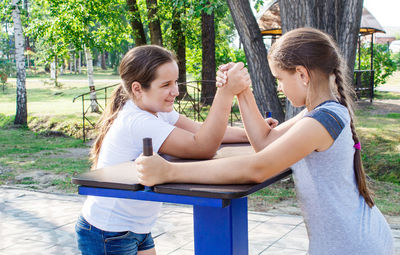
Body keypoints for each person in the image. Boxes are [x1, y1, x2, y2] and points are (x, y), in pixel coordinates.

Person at [136, 28, 394, 255]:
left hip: (351, 245)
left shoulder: (322, 120)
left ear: (302, 74)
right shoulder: (320, 111)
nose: (279, 87)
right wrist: (242, 91)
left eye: (280, 79)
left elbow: (258, 167)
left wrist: (169, 171)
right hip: (349, 240)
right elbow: (266, 142)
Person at [75, 45, 256, 255]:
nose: (176, 91)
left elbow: (200, 130)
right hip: (108, 232)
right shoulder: (138, 121)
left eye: (176, 82)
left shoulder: (156, 111)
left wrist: (252, 134)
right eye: (166, 85)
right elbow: (203, 146)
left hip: (136, 228)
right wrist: (225, 92)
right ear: (137, 89)